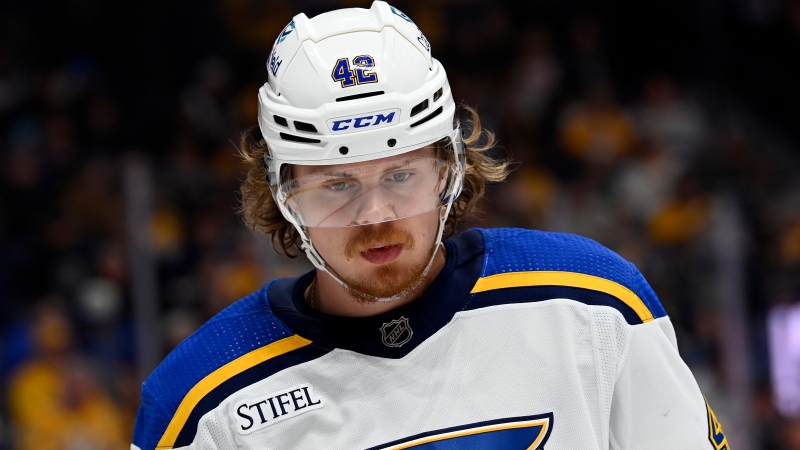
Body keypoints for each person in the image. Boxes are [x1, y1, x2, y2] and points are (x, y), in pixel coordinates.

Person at [132, 2, 728, 449]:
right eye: (337, 185)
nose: (375, 216)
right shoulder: (200, 403)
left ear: (448, 168)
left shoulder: (594, 303)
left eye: (400, 175)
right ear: (282, 194)